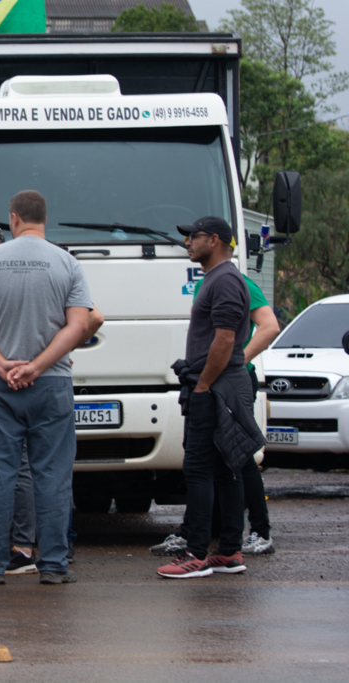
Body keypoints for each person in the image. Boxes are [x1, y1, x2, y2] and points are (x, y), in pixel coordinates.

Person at [0, 220, 104, 572]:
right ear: (43, 219)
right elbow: (89, 320)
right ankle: (53, 564)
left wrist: (1, 364)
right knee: (52, 475)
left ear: (15, 219)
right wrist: (43, 361)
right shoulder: (65, 261)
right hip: (51, 383)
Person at [157, 216, 266, 579]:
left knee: (200, 467)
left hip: (217, 385)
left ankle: (196, 554)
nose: (187, 242)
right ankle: (230, 551)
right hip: (218, 382)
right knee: (224, 467)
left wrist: (203, 384)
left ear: (215, 240)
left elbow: (224, 340)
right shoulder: (217, 278)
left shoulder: (226, 280)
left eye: (194, 237)